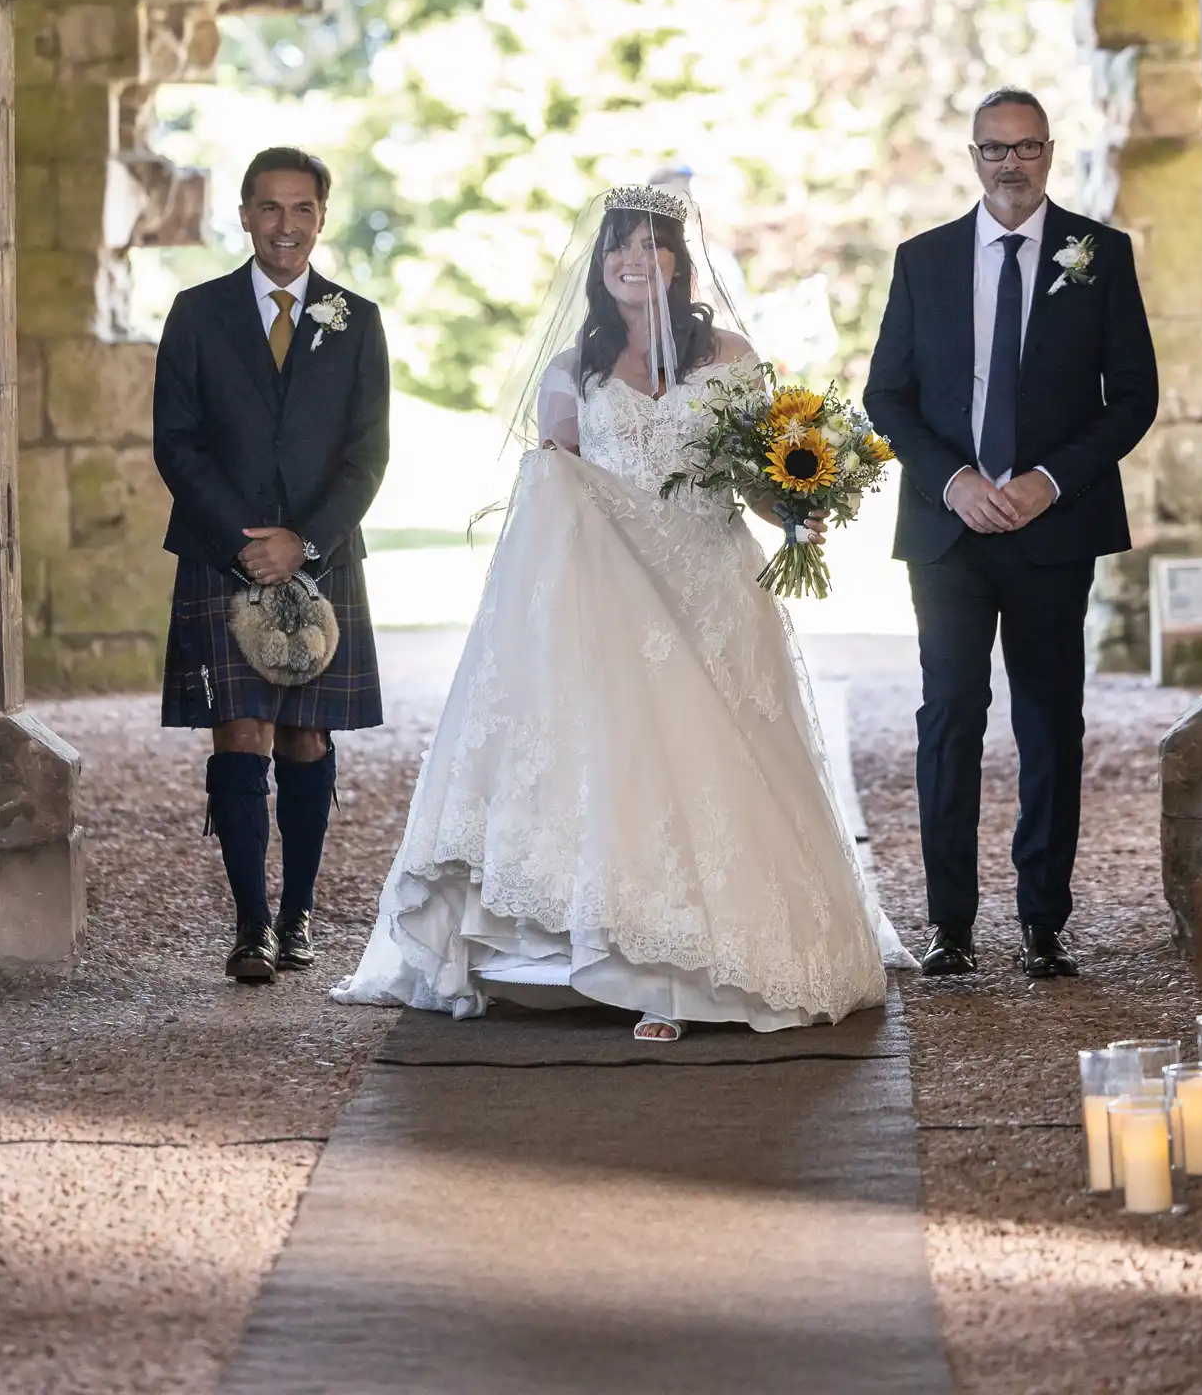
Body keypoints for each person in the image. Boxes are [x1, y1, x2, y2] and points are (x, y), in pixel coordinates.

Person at [334, 183, 905, 1040]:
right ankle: (617, 958)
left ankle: (696, 969)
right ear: (600, 266)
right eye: (619, 249)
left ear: (679, 261)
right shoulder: (576, 368)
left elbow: (759, 468)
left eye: (652, 246)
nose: (635, 261)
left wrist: (797, 507)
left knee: (721, 763)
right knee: (625, 762)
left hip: (710, 581)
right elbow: (553, 486)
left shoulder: (730, 355)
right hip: (610, 593)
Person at [864, 90, 1158, 980]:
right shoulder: (922, 261)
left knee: (1048, 723)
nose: (1011, 163)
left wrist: (1046, 480)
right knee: (949, 719)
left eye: (1027, 147)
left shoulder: (1099, 256)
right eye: (995, 149)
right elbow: (887, 397)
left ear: (1048, 153)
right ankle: (949, 925)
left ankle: (1042, 921)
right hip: (948, 533)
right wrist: (954, 482)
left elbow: (1134, 397)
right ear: (972, 156)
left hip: (1049, 528)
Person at [154, 147, 390, 985]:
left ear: (321, 217)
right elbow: (175, 444)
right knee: (241, 732)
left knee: (304, 735)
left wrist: (304, 542)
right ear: (244, 215)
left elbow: (367, 456)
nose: (284, 226)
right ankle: (250, 926)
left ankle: (298, 918)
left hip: (322, 560)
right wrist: (244, 541)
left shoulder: (355, 319)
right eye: (268, 208)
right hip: (224, 556)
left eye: (301, 210)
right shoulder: (196, 312)